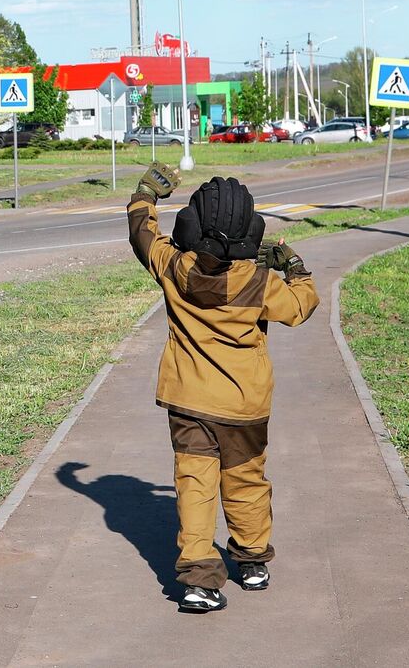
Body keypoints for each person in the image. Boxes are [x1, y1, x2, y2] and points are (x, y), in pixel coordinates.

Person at [128, 164, 319, 613]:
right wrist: (292, 264)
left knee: (195, 483)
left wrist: (145, 194)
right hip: (245, 405)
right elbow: (300, 306)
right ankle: (252, 561)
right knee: (246, 481)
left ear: (192, 227)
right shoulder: (260, 283)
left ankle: (200, 581)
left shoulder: (174, 268)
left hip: (189, 401)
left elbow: (142, 234)